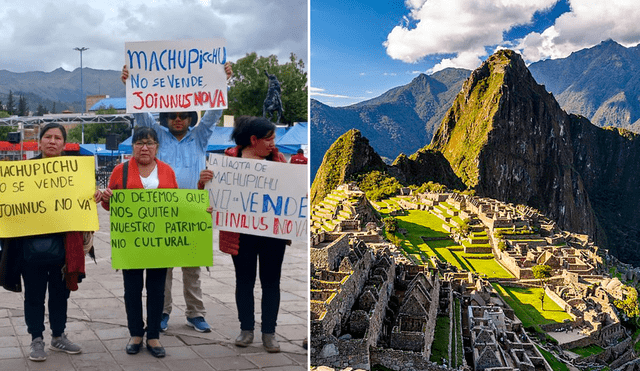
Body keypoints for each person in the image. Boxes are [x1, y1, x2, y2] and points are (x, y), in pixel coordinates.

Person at [121, 62, 232, 333]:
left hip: (195, 208)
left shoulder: (199, 137)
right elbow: (141, 113)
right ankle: (162, 313)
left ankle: (196, 313)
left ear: (191, 118)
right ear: (165, 119)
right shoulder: (156, 136)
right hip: (163, 209)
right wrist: (130, 84)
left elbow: (214, 112)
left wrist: (222, 82)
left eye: (183, 115)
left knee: (192, 267)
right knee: (164, 268)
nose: (178, 119)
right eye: (172, 115)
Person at [0, 123, 101, 362]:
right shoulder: (24, 171)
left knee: (60, 295)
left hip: (64, 249)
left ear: (64, 144)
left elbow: (85, 202)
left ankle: (58, 336)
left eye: (57, 138)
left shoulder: (76, 172)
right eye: (48, 137)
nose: (52, 141)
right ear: (40, 142)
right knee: (34, 296)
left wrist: (94, 195)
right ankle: (36, 338)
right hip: (29, 249)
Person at [200, 116, 288, 353]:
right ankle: (246, 329)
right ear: (253, 139)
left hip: (272, 234)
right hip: (240, 234)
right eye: (269, 139)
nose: (273, 144)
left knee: (271, 283)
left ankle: (269, 332)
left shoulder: (278, 159)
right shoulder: (227, 161)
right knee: (244, 281)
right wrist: (204, 182)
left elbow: (289, 191)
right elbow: (210, 196)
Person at [100, 127, 177, 358]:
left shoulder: (167, 171)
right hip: (130, 243)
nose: (145, 147)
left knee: (157, 290)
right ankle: (135, 333)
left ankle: (153, 336)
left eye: (150, 143)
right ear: (132, 146)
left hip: (159, 243)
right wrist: (106, 198)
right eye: (140, 143)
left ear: (157, 147)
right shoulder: (119, 171)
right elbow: (110, 205)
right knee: (131, 290)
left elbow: (176, 205)